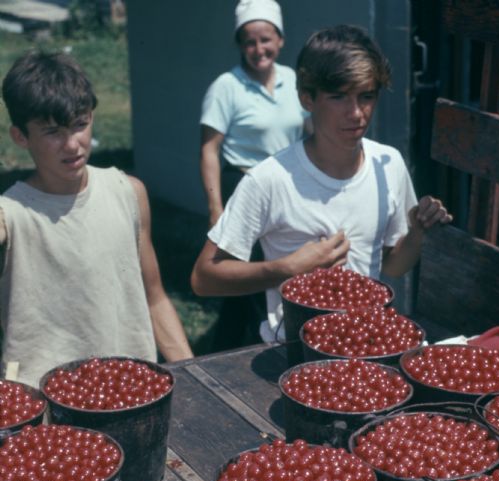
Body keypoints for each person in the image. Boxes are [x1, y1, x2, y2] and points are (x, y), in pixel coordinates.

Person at [191, 24, 452, 343]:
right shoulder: (269, 179)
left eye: (367, 96)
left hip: (364, 345)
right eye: (338, 97)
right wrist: (286, 268)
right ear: (307, 99)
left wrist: (416, 233)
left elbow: (395, 267)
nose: (356, 113)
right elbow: (204, 278)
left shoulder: (389, 165)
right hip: (294, 350)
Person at [0, 49, 193, 388]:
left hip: (131, 390)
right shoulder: (11, 213)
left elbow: (155, 298)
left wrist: (195, 376)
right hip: (45, 407)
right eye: (52, 131)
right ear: (20, 137)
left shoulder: (128, 191)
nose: (72, 144)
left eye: (80, 124)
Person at [199, 0, 308, 351]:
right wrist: (216, 207)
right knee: (259, 277)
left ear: (280, 40)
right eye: (249, 41)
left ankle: (223, 348)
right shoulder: (226, 87)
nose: (258, 49)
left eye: (265, 39)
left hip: (284, 187)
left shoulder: (294, 80)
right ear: (240, 45)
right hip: (242, 187)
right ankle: (265, 348)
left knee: (248, 282)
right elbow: (209, 150)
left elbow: (307, 134)